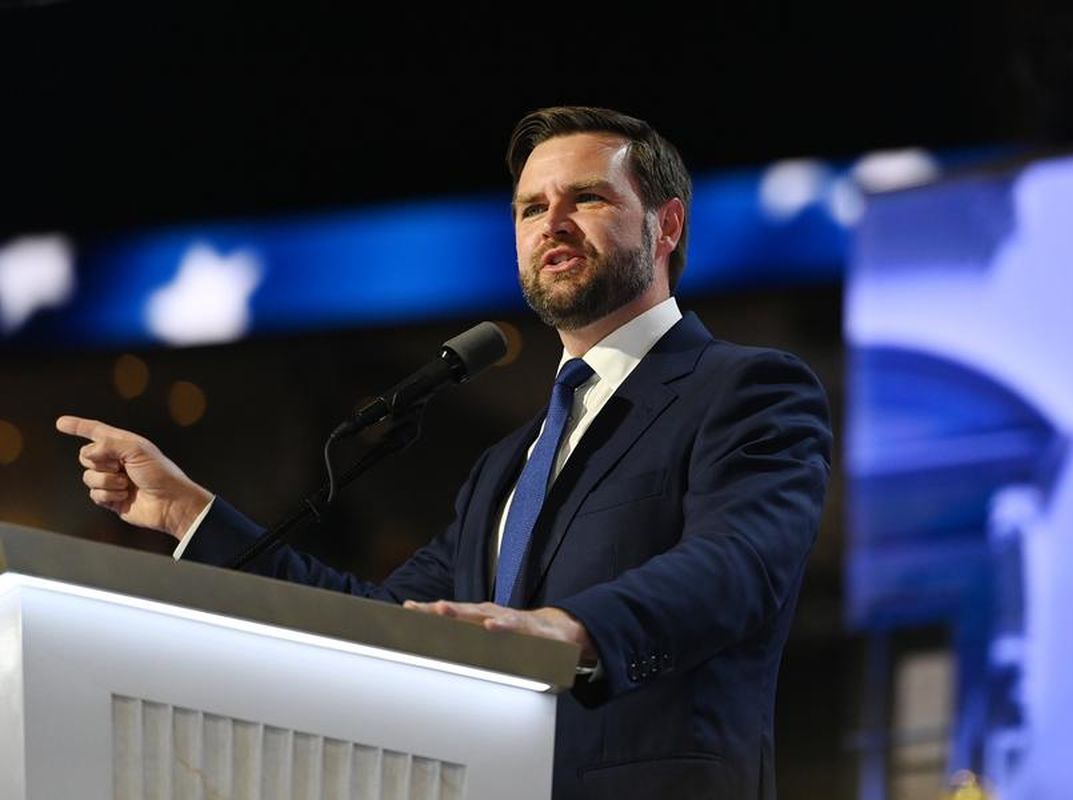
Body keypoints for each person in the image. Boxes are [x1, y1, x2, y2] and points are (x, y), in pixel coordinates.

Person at [57, 106, 832, 800]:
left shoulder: (745, 389)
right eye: (532, 208)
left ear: (667, 226)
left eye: (587, 198)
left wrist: (573, 631)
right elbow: (381, 626)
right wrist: (189, 514)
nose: (553, 223)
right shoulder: (507, 465)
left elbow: (739, 564)